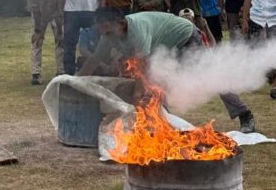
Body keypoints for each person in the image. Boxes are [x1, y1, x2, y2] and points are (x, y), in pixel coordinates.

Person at [81, 7, 257, 133]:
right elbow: (94, 59)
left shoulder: (137, 29)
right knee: (158, 81)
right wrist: (75, 80)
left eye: (109, 33)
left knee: (210, 76)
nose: (106, 37)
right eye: (102, 33)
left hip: (186, 38)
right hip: (164, 46)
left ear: (121, 23)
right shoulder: (108, 33)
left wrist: (137, 95)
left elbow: (142, 67)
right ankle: (162, 123)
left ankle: (244, 114)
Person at [27, 0, 64, 85]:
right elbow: (36, 12)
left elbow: (59, 13)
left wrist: (59, 32)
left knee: (60, 41)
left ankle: (61, 71)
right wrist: (39, 32)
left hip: (55, 15)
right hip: (39, 15)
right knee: (36, 42)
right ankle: (36, 73)